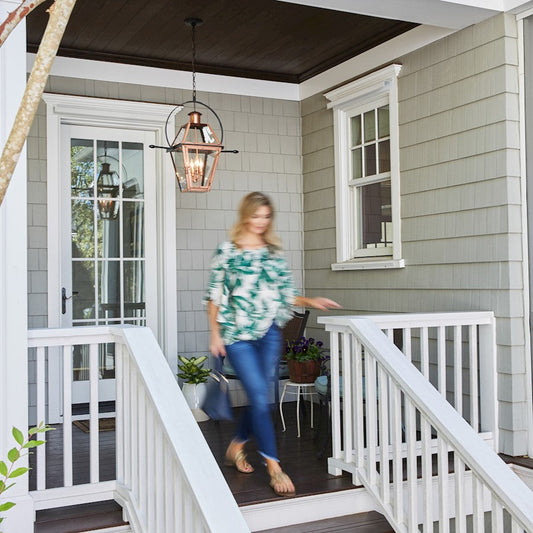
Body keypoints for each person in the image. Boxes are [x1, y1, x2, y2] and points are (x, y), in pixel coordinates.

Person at [204, 191, 341, 497]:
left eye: (266, 217)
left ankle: (236, 446)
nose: (261, 222)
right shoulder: (227, 251)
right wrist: (214, 333)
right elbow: (214, 296)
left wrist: (311, 300)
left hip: (268, 335)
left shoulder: (273, 253)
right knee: (259, 397)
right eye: (256, 216)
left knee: (259, 397)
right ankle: (274, 467)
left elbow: (286, 295)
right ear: (245, 216)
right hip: (237, 337)